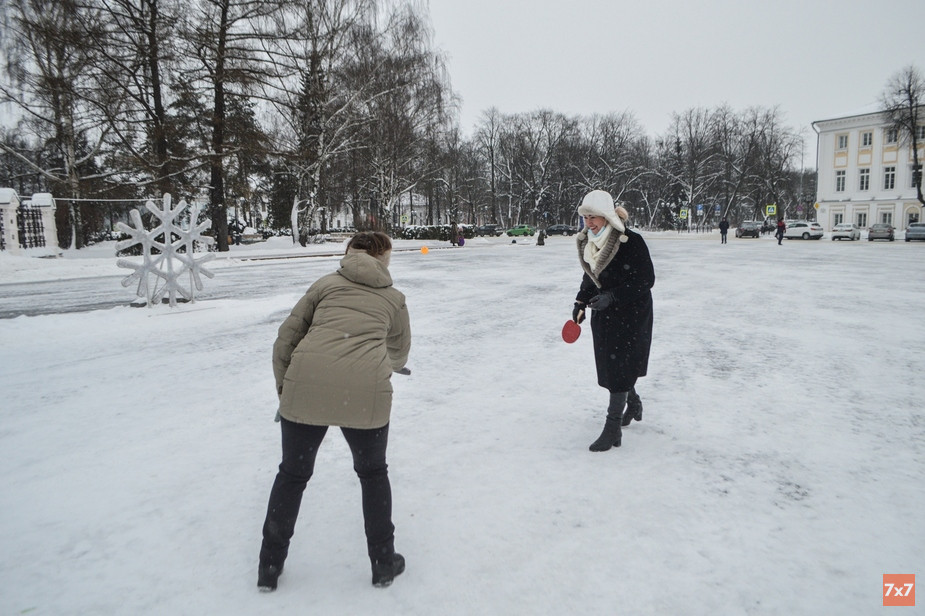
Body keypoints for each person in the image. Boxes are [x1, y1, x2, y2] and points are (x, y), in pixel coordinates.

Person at [257, 231, 412, 591]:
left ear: (349, 254)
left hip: (305, 385)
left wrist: (287, 390)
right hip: (365, 393)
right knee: (373, 474)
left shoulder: (325, 285)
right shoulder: (394, 298)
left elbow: (286, 338)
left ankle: (269, 566)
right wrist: (375, 361)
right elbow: (400, 353)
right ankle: (383, 564)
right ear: (384, 259)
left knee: (292, 475)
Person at [572, 190, 655, 452]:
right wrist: (580, 302)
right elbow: (590, 277)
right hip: (604, 314)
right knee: (612, 366)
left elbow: (645, 280)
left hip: (631, 313)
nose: (589, 223)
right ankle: (634, 402)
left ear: (607, 216)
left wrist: (613, 296)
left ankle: (612, 428)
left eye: (593, 217)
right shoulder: (590, 242)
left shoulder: (631, 241)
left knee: (621, 365)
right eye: (585, 218)